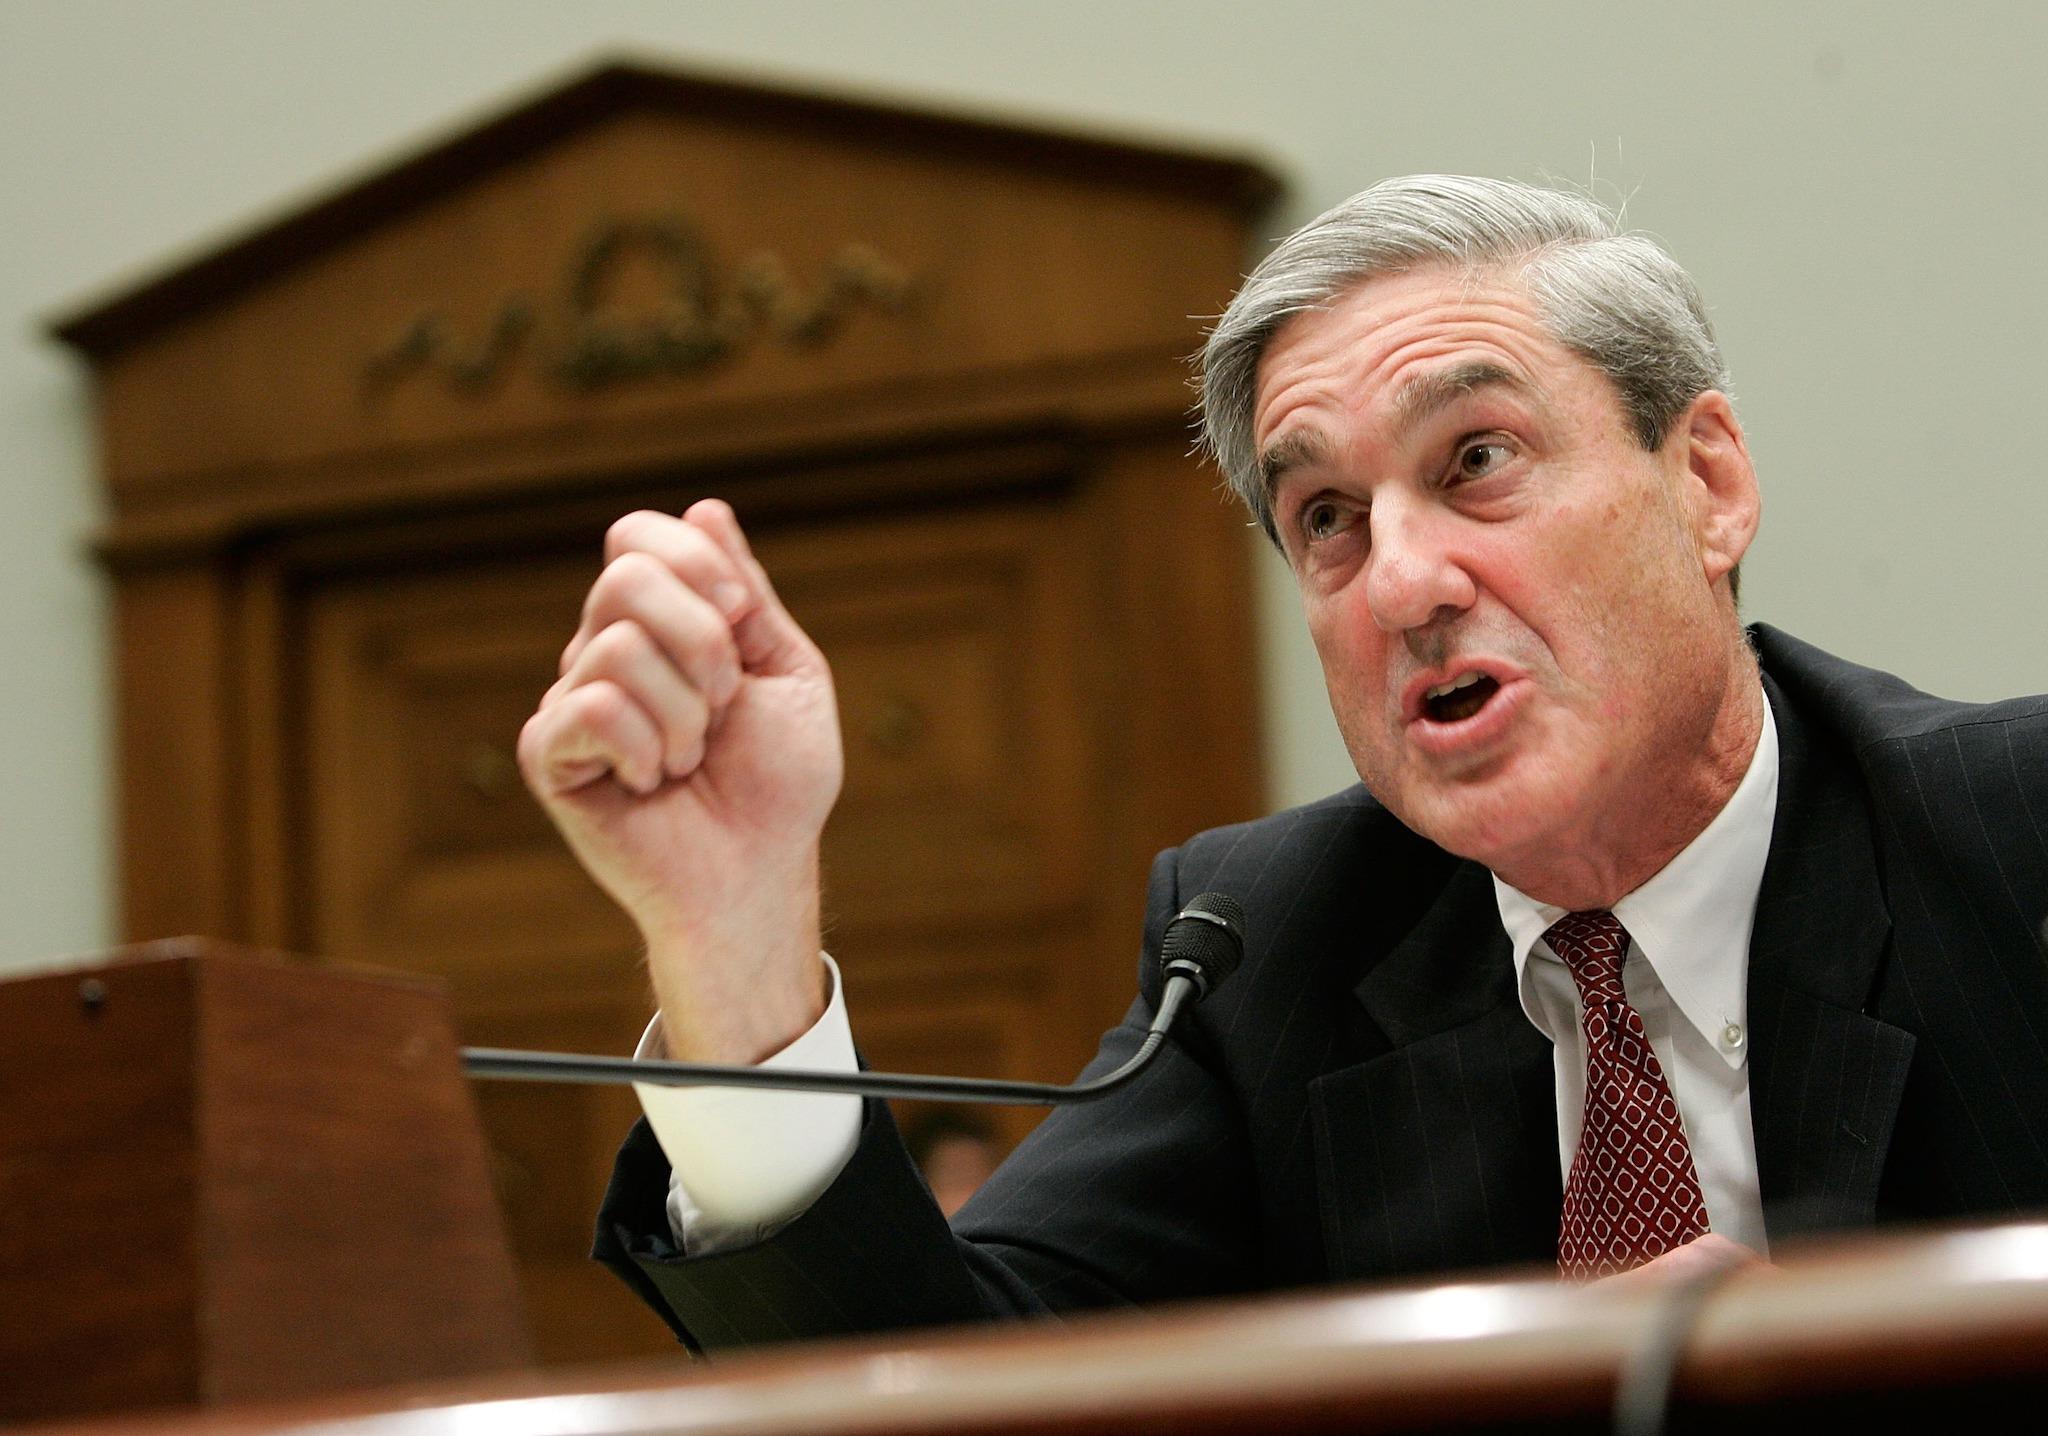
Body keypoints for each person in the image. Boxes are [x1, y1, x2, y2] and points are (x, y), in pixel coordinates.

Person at [518, 176, 2048, 1350]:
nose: (1403, 582)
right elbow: (940, 1398)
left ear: (1706, 481)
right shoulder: (1270, 949)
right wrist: (734, 935)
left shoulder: (2010, 843)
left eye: (1477, 462)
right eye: (1327, 518)